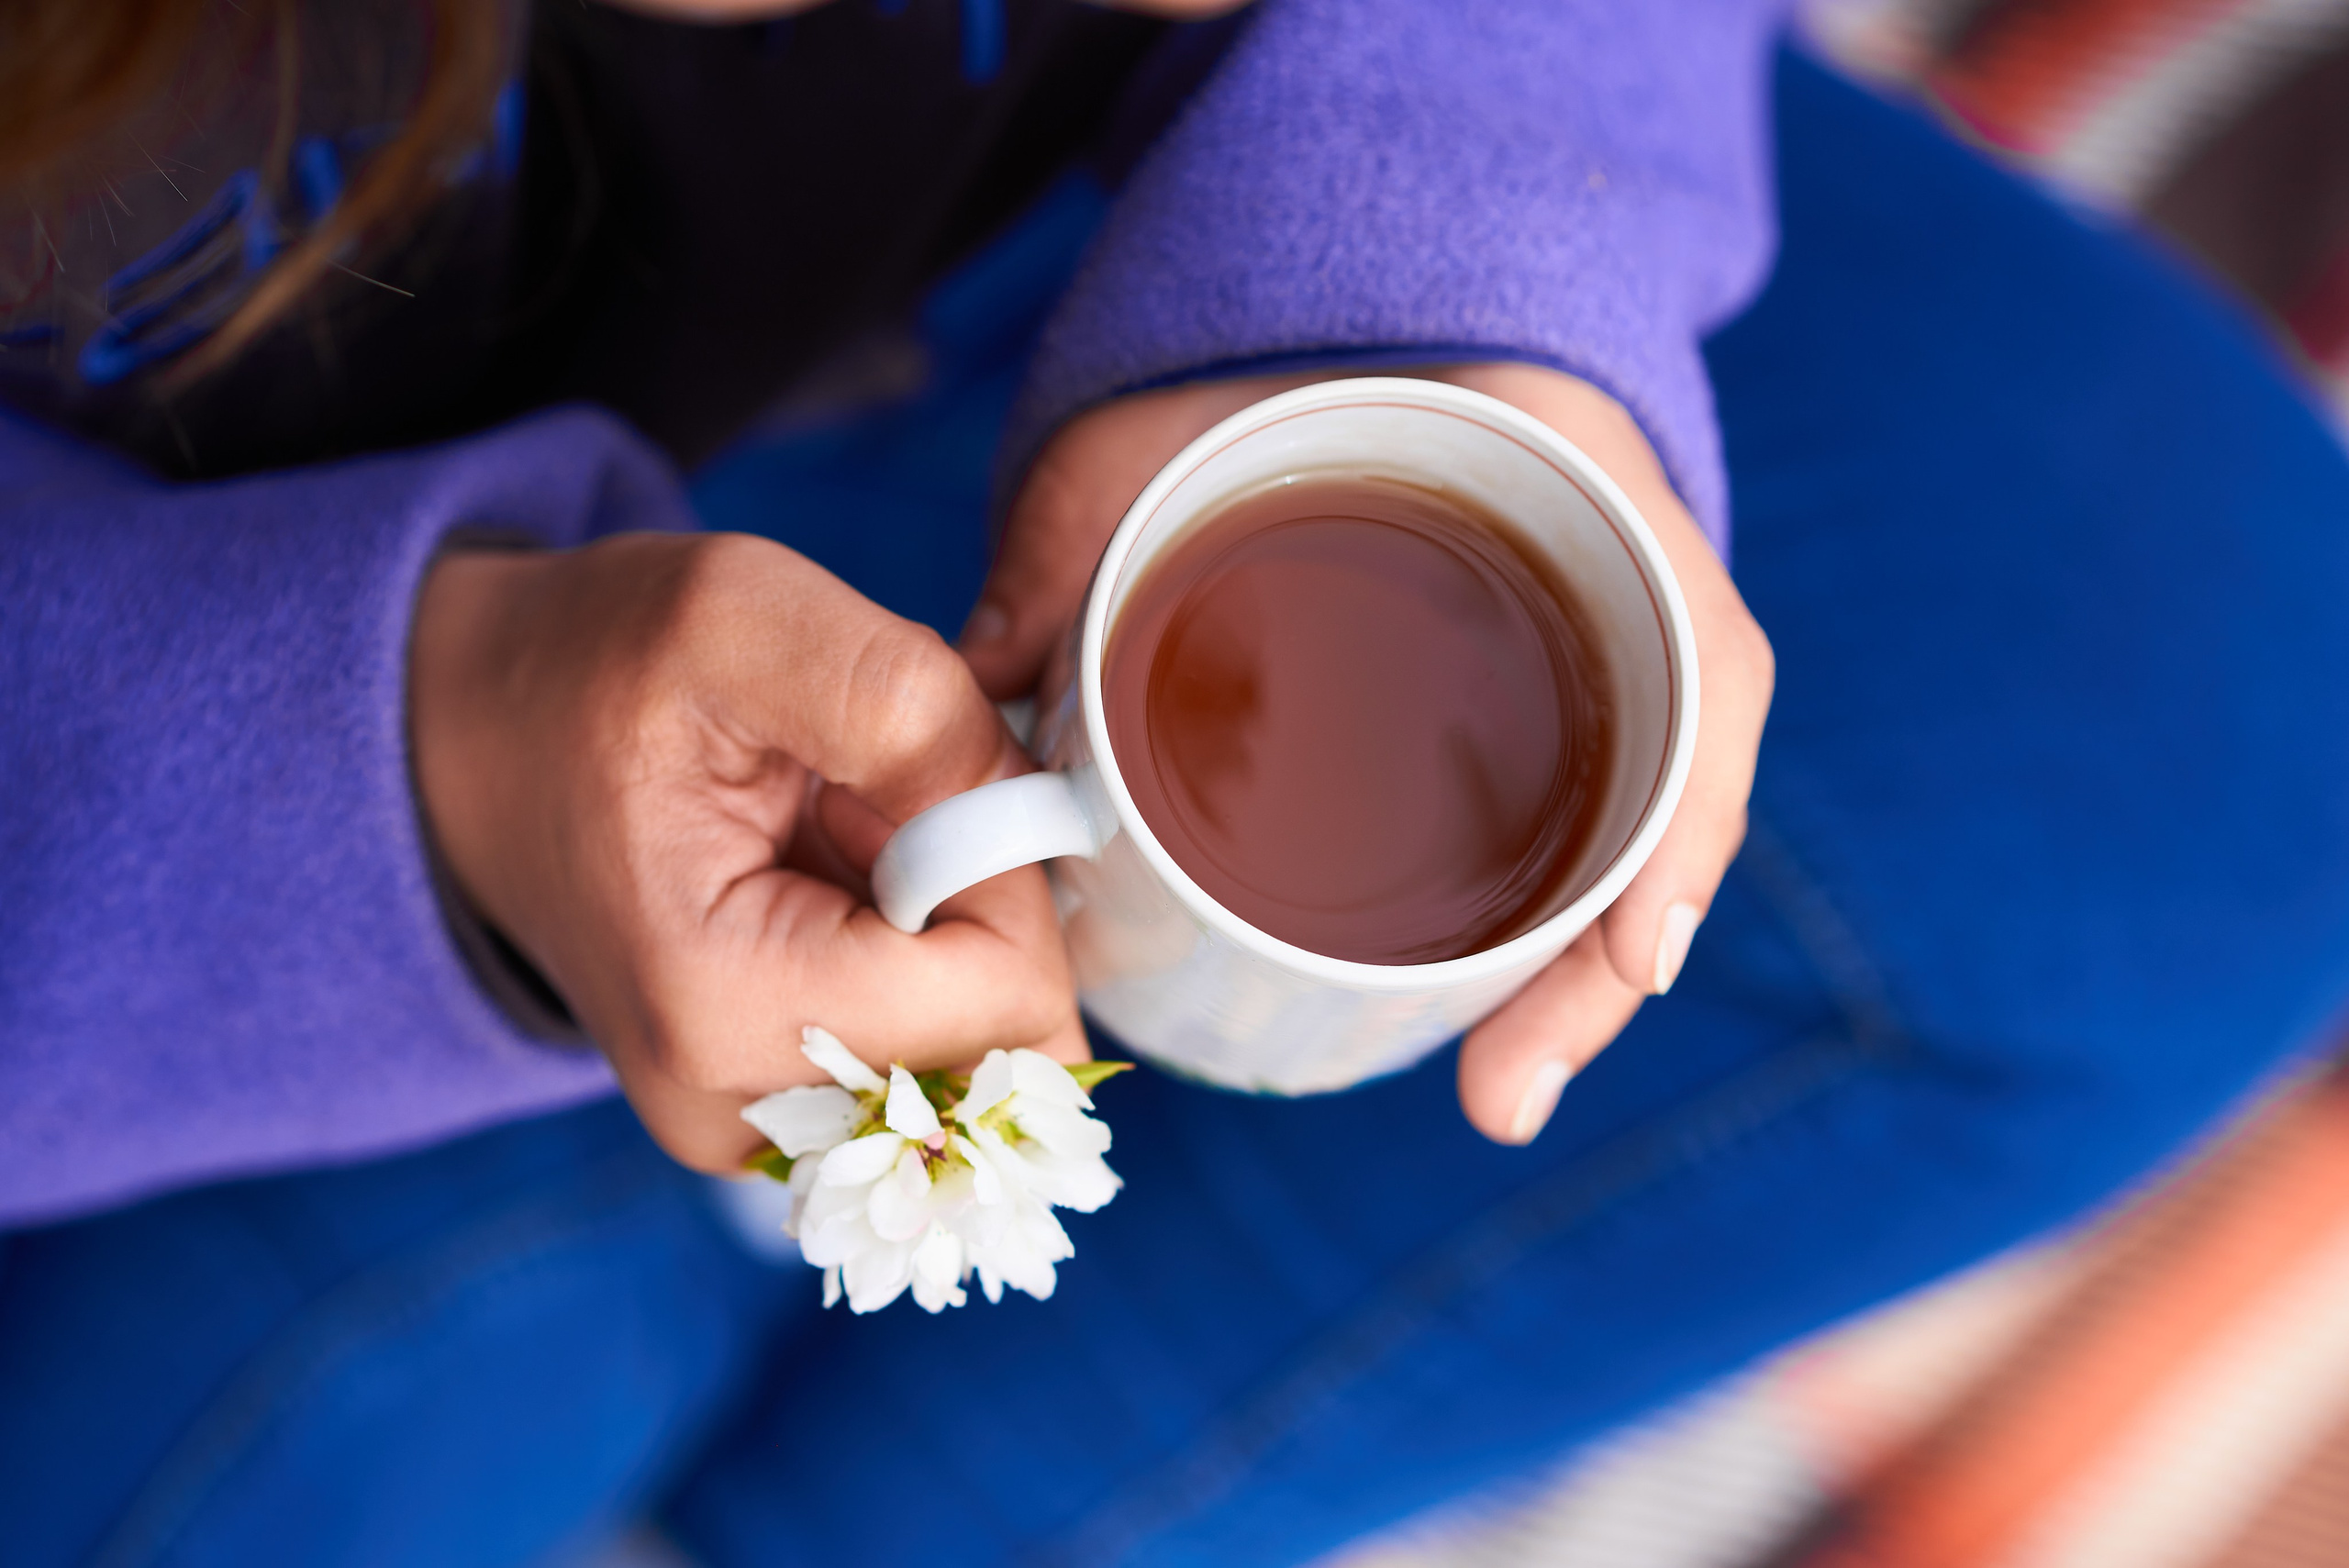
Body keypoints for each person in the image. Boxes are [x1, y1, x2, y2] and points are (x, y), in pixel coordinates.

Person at [1, 3, 2343, 1565]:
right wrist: (410, 753)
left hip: (1031, 304)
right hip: (170, 793)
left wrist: (1447, 238)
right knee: (440, 1354)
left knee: (2215, 720)